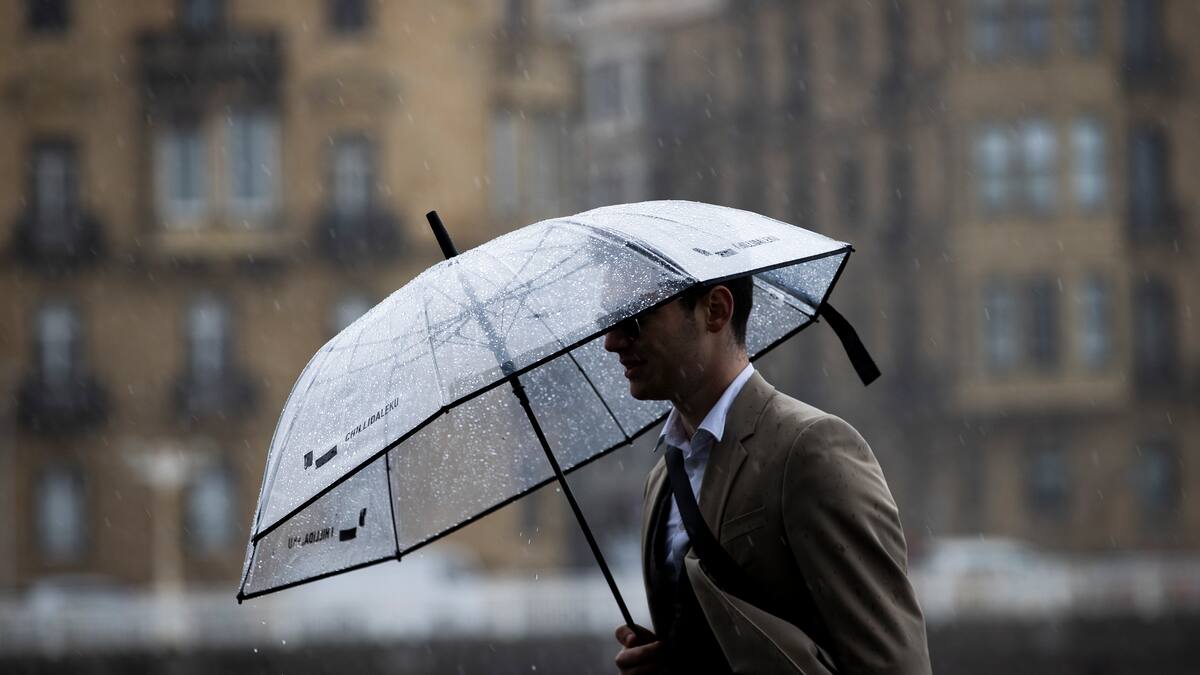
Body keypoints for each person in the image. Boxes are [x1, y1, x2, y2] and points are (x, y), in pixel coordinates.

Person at [605, 276, 931, 674]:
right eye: (609, 321)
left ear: (715, 311)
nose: (612, 341)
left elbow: (891, 662)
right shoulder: (660, 481)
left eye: (633, 320)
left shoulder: (811, 447)